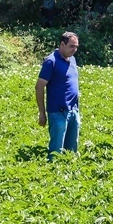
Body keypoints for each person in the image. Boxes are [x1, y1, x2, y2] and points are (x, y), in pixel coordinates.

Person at [35, 32, 80, 160]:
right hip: (58, 113)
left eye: (76, 47)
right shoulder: (51, 61)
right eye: (71, 46)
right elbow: (39, 87)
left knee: (71, 153)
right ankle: (54, 171)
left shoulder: (72, 59)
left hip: (74, 110)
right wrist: (42, 112)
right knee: (56, 153)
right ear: (62, 44)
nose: (74, 50)